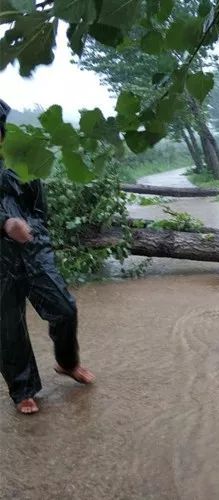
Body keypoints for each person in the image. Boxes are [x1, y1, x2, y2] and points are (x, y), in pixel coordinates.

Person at [0, 99, 94, 415]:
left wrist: (32, 234)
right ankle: (23, 390)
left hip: (33, 249)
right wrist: (5, 224)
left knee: (64, 308)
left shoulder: (23, 160)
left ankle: (67, 362)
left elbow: (39, 209)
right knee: (8, 326)